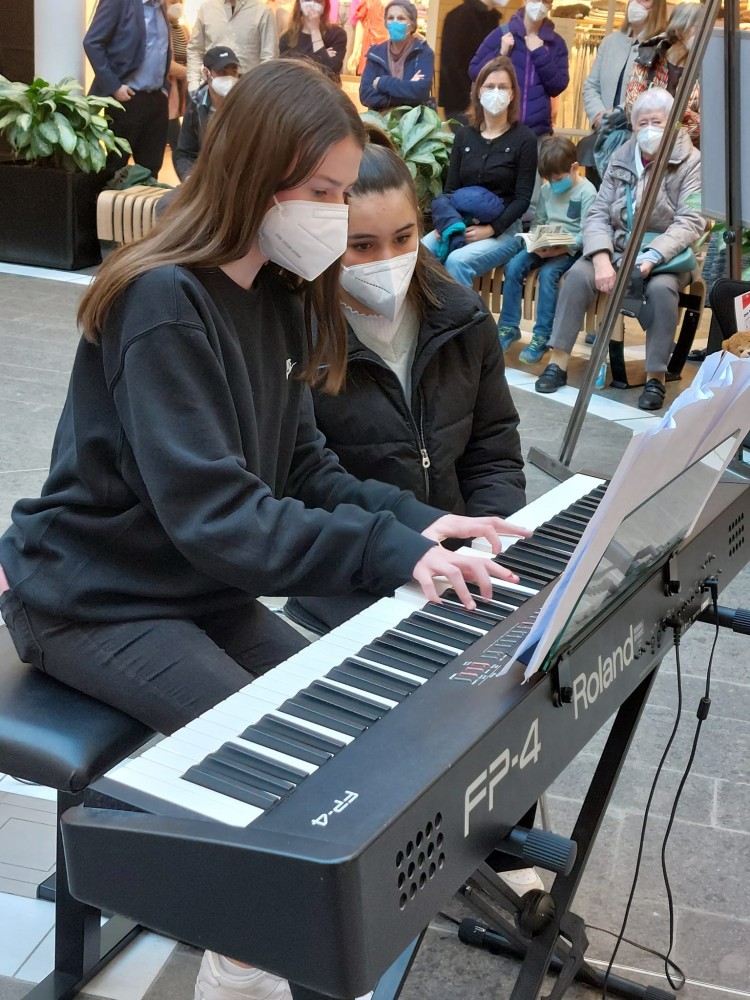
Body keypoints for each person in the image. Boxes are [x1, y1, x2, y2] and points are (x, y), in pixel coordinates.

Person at [0, 60, 527, 1000]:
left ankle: (278, 947)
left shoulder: (277, 294)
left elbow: (303, 471)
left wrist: (425, 519)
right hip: (90, 601)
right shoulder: (164, 300)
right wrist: (393, 552)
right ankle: (246, 967)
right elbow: (219, 519)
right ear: (257, 174)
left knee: (354, 734)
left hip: (192, 589)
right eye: (322, 192)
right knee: (288, 786)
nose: (334, 212)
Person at [286, 142, 526, 634]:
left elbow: (494, 451)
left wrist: (488, 542)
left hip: (460, 580)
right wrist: (403, 544)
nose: (389, 260)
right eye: (363, 246)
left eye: (403, 237)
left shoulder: (462, 318)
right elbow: (302, 484)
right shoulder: (297, 338)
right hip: (346, 590)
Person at [534, 89, 704, 412]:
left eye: (657, 122)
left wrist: (652, 257)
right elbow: (597, 213)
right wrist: (599, 258)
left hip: (665, 256)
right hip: (616, 248)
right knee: (576, 276)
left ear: (673, 124)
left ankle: (655, 376)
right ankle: (558, 362)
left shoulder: (690, 160)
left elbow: (690, 221)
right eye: (643, 123)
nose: (649, 129)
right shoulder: (622, 156)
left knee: (662, 291)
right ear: (633, 125)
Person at [422, 56, 538, 287]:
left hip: (504, 230)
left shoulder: (525, 139)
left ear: (513, 94)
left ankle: (464, 322)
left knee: (457, 261)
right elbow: (451, 190)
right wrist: (446, 223)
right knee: (420, 252)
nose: (496, 92)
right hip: (461, 222)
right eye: (490, 86)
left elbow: (522, 199)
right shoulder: (464, 136)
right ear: (478, 92)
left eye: (503, 87)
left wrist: (490, 229)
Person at [497, 135, 597, 364]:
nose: (554, 184)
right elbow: (539, 220)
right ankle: (508, 326)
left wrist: (562, 247)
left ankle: (542, 335)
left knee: (548, 275)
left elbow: (587, 232)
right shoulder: (546, 190)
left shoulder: (587, 192)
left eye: (558, 179)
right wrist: (536, 239)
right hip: (545, 245)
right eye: (549, 180)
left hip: (569, 250)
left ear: (574, 167)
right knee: (513, 267)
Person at [580, 0, 667, 181]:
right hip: (600, 141)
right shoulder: (610, 41)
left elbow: (650, 93)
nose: (636, 3)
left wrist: (615, 116)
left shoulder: (660, 47)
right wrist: (599, 116)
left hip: (634, 141)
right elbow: (591, 85)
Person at [83, 0, 171, 179]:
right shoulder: (119, 2)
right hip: (127, 99)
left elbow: (161, 49)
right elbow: (92, 42)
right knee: (115, 169)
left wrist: (164, 86)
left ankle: (142, 207)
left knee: (150, 173)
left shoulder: (161, 6)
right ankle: (107, 207)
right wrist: (114, 86)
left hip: (156, 99)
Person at [468, 0, 569, 138]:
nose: (539, 4)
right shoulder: (503, 32)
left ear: (550, 4)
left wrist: (539, 53)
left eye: (545, 1)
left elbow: (558, 85)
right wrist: (501, 53)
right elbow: (475, 72)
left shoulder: (556, 42)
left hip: (538, 132)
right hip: (501, 129)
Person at [624, 2, 702, 146]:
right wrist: (680, 116)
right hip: (644, 149)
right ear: (679, 30)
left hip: (687, 155)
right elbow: (632, 108)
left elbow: (705, 125)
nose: (704, 35)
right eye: (698, 28)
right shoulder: (648, 58)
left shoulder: (706, 69)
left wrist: (663, 127)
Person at [173, 46, 240, 182]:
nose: (229, 77)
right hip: (205, 181)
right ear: (206, 73)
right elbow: (184, 153)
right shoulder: (196, 106)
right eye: (222, 72)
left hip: (239, 181)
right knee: (166, 202)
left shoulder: (249, 105)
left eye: (233, 72)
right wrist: (189, 178)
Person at [186, 0, 278, 94]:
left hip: (248, 90)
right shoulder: (206, 9)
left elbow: (269, 58)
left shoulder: (263, 11)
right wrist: (194, 86)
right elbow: (195, 49)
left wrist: (260, 91)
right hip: (212, 88)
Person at [438, 0, 505, 127]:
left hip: (487, 99)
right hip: (462, 104)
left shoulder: (494, 17)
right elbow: (451, 65)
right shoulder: (459, 17)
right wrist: (470, 101)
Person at [359, 0, 434, 111]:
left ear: (412, 24)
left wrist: (383, 83)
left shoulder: (423, 53)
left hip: (412, 121)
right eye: (390, 18)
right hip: (379, 121)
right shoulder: (376, 53)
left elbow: (420, 93)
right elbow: (365, 95)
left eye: (401, 18)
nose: (395, 22)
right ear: (385, 23)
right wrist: (406, 90)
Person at [279, 0, 347, 81]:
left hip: (323, 92)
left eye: (318, 1)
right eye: (308, 0)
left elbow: (331, 73)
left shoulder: (337, 34)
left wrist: (315, 30)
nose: (312, 5)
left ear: (325, 4)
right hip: (295, 90)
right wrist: (318, 57)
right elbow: (286, 73)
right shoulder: (287, 37)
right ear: (300, 3)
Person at [166, 2, 190, 152]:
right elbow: (167, 64)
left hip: (183, 87)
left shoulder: (184, 29)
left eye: (178, 2)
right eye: (172, 2)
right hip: (169, 88)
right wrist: (192, 71)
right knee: (177, 140)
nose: (176, 6)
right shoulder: (162, 29)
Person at [347, 0, 388, 75]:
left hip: (391, 45)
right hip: (370, 43)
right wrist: (355, 52)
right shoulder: (368, 1)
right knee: (368, 78)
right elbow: (361, 23)